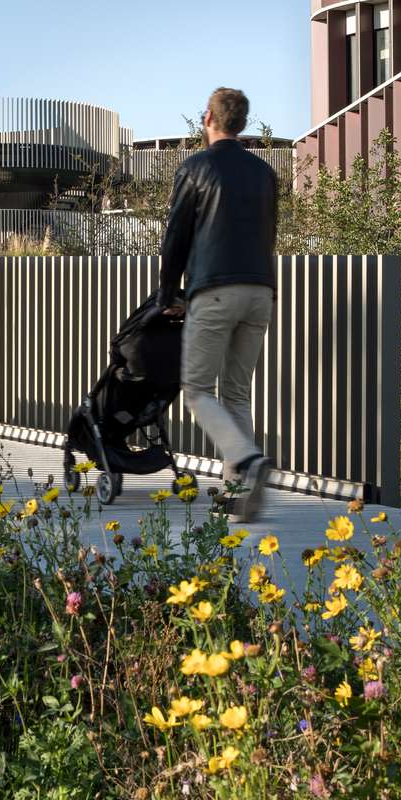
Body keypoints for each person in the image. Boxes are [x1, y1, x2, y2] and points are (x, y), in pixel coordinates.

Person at [156, 87, 278, 520]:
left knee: (197, 392)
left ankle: (247, 460)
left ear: (208, 117)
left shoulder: (196, 168)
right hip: (261, 291)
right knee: (237, 394)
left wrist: (168, 293)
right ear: (241, 122)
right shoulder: (265, 174)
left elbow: (176, 237)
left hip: (215, 291)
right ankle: (239, 494)